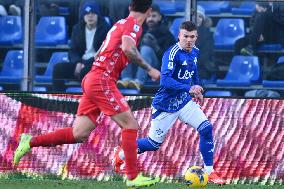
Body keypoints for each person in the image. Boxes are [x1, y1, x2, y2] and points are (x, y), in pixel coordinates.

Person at [13, 0, 160, 188]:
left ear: (130, 7)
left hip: (93, 77)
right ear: (148, 11)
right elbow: (128, 48)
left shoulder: (119, 23)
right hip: (101, 80)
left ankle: (29, 141)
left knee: (79, 133)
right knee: (130, 124)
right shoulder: (134, 25)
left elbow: (100, 50)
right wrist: (149, 70)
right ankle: (133, 177)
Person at [112, 21, 226, 185]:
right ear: (179, 35)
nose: (188, 40)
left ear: (196, 37)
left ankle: (210, 172)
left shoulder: (195, 51)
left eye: (192, 37)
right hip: (165, 105)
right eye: (185, 36)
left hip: (184, 102)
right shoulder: (171, 53)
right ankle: (121, 154)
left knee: (206, 128)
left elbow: (193, 71)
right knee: (152, 144)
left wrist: (197, 87)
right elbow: (164, 81)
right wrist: (188, 88)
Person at [52, 1, 110, 91]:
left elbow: (104, 53)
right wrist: (78, 62)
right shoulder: (77, 29)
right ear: (83, 16)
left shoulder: (105, 29)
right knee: (58, 69)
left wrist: (85, 64)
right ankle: (59, 98)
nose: (90, 16)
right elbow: (73, 50)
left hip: (97, 64)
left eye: (93, 13)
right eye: (87, 14)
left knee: (85, 72)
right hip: (80, 63)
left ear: (98, 15)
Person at [117, 4, 176, 90]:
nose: (150, 19)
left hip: (157, 68)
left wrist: (156, 48)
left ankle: (138, 82)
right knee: (127, 47)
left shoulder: (167, 34)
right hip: (139, 65)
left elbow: (171, 61)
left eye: (154, 16)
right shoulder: (140, 30)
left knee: (146, 50)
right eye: (148, 16)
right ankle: (126, 79)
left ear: (160, 17)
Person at [195, 5, 217, 83]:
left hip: (202, 68)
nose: (197, 19)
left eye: (200, 17)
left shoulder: (208, 35)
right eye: (195, 16)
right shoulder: (183, 34)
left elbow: (205, 56)